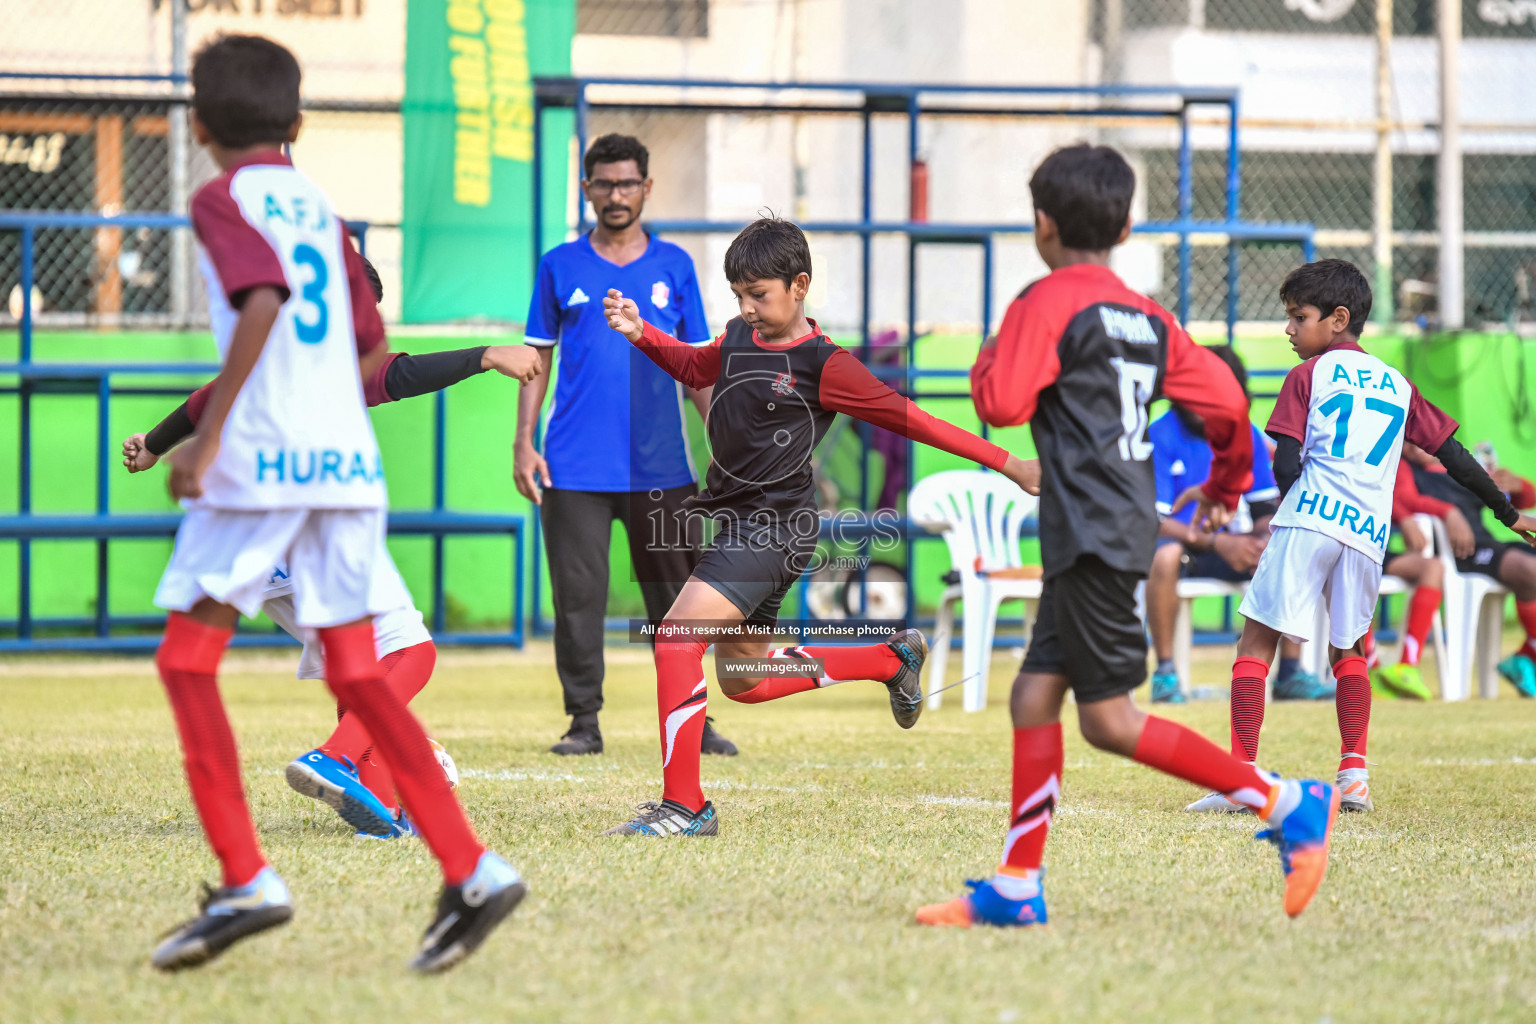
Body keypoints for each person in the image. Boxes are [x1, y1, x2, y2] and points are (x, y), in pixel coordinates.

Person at [146, 34, 522, 974]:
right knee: (364, 669)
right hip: (345, 468)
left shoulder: (219, 197)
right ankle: (470, 869)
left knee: (189, 660)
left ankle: (245, 878)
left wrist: (210, 433)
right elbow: (367, 350)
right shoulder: (324, 212)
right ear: (300, 124)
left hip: (267, 462)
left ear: (198, 125)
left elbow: (263, 298)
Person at [918, 144, 1339, 930]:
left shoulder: (1044, 301)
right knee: (1034, 694)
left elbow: (1003, 403)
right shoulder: (1149, 315)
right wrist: (1220, 490)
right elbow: (1225, 406)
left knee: (1109, 720)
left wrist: (986, 359)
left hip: (1091, 532)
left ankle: (1287, 803)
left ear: (1042, 223)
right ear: (1126, 225)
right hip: (1111, 524)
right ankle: (1016, 885)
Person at [599, 215, 1036, 838]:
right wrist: (643, 333)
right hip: (738, 527)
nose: (747, 308)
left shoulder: (826, 365)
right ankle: (888, 658)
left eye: (760, 295)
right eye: (739, 296)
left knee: (675, 637)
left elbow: (914, 420)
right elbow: (698, 368)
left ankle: (685, 808)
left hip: (777, 530)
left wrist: (1009, 462)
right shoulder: (737, 336)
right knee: (745, 680)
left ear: (799, 285)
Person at [123, 257, 540, 839]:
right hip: (301, 526)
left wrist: (153, 445)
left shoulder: (262, 360)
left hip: (241, 542)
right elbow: (403, 375)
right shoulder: (332, 361)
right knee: (413, 652)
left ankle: (382, 810)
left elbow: (203, 402)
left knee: (359, 668)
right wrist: (487, 355)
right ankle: (337, 757)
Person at [1197, 259, 1536, 818]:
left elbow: (1284, 463)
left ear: (1337, 319)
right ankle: (1353, 773)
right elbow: (1454, 458)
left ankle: (1241, 779)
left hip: (1310, 518)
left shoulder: (1307, 377)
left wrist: (1292, 516)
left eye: (1297, 317)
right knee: (1349, 652)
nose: (1288, 329)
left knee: (1256, 642)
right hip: (1365, 534)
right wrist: (1508, 513)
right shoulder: (1398, 384)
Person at [517, 133, 736, 758]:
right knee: (577, 599)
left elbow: (698, 365)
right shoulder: (559, 264)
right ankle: (583, 721)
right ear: (586, 190)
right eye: (604, 184)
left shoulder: (674, 267)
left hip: (663, 466)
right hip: (574, 466)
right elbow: (537, 356)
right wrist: (522, 444)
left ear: (646, 187)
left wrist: (724, 444)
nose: (616, 194)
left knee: (683, 602)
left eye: (627, 183)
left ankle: (695, 720)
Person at [1147, 346, 1327, 703]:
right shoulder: (1161, 434)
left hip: (1232, 544)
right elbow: (1153, 521)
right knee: (1164, 558)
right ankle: (1165, 673)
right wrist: (1217, 544)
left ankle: (1290, 674)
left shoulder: (1245, 433)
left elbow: (1263, 507)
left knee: (1293, 551)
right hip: (1181, 546)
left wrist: (1263, 536)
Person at [1405, 441, 1536, 697]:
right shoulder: (1404, 470)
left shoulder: (1460, 468)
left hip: (1488, 545)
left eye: (1421, 435)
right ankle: (1526, 657)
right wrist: (1448, 512)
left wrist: (1517, 486)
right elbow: (1404, 501)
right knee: (1529, 569)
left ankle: (1526, 655)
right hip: (1461, 554)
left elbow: (1524, 499)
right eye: (1409, 437)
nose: (1416, 442)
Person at [1352, 455, 1474, 701]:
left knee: (1434, 568)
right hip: (1354, 542)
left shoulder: (1453, 466)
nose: (1420, 442)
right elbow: (1399, 498)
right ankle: (1369, 669)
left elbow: (1519, 496)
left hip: (1383, 550)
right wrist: (1411, 517)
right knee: (1354, 570)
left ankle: (1407, 666)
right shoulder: (1396, 459)